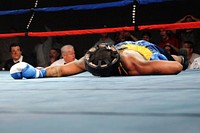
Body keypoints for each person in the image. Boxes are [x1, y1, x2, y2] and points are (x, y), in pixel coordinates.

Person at [10, 40, 188, 79]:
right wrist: (35, 72)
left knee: (178, 60)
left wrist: (178, 62)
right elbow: (60, 70)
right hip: (120, 46)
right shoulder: (90, 59)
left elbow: (174, 67)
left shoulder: (135, 66)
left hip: (145, 50)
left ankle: (182, 54)